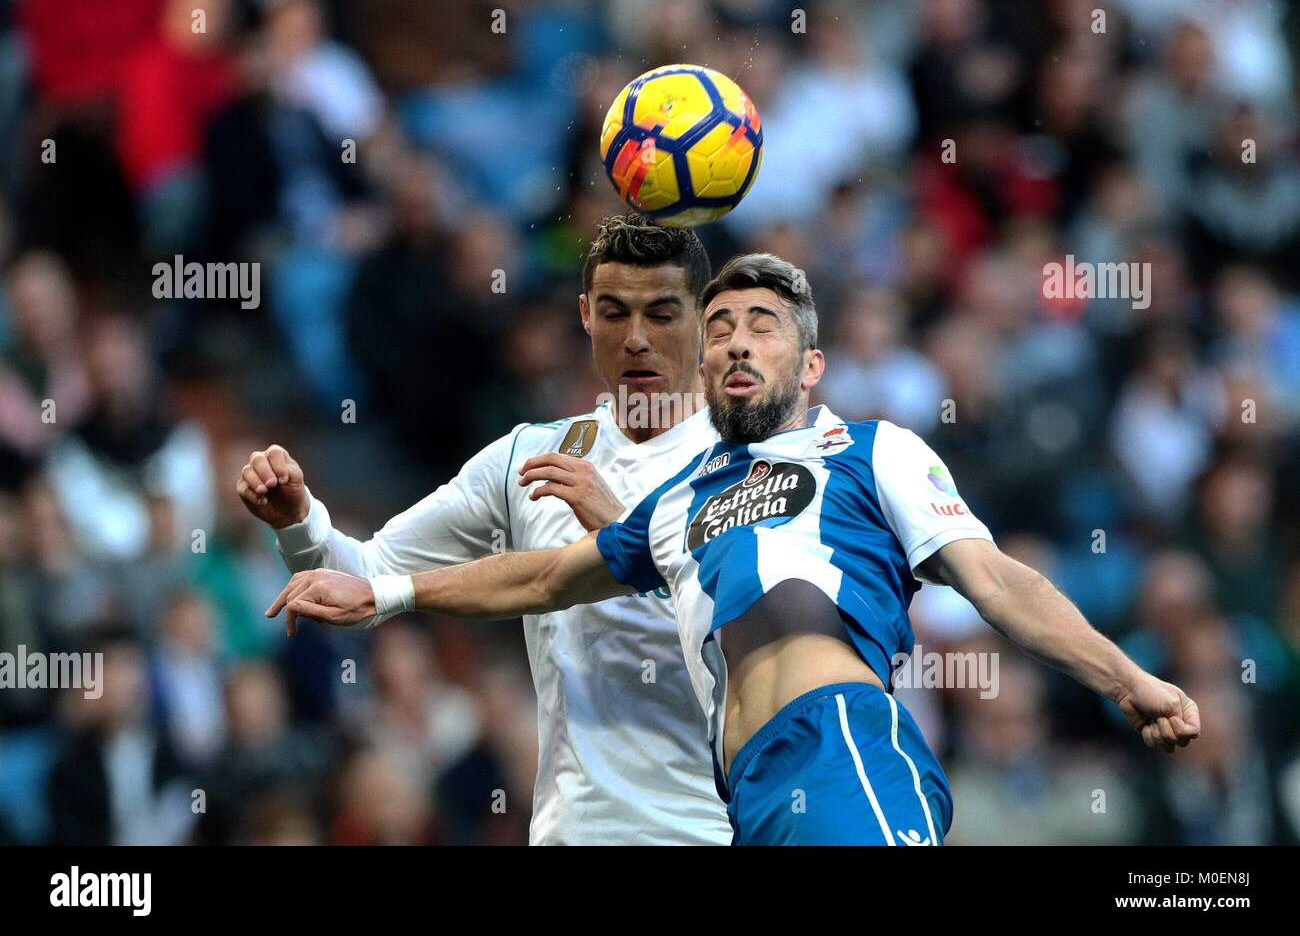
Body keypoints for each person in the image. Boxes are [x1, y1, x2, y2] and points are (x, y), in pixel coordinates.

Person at [268, 252, 1203, 846]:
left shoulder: (870, 450)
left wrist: (1131, 681)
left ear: (812, 365)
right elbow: (548, 576)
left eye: (765, 327)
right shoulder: (683, 501)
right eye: (719, 330)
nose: (738, 344)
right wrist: (390, 596)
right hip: (747, 798)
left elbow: (998, 580)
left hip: (841, 748)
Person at [239, 213, 731, 845]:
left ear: (707, 320)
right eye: (614, 313)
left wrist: (624, 536)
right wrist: (298, 523)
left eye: (662, 314)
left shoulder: (755, 467)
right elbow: (364, 583)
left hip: (711, 832)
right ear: (584, 314)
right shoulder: (526, 458)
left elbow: (750, 657)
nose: (635, 338)